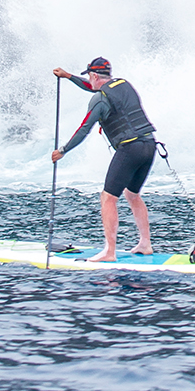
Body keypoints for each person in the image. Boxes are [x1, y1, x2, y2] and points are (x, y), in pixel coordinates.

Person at [50, 57, 158, 262]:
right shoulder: (123, 84)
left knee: (108, 198)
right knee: (133, 195)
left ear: (94, 75)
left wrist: (63, 150)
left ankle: (109, 251)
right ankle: (145, 243)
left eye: (90, 77)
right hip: (149, 145)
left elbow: (84, 129)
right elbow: (95, 88)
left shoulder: (99, 100)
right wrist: (68, 76)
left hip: (130, 149)